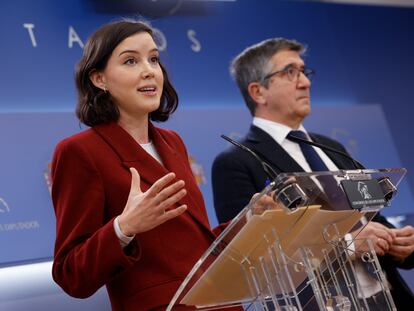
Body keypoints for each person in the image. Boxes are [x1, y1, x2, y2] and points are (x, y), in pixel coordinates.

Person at [51, 20, 243, 311]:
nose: (149, 70)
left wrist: (251, 219)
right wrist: (124, 228)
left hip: (219, 302)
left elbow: (190, 244)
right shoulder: (79, 152)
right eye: (131, 61)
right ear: (99, 79)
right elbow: (71, 274)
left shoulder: (172, 142)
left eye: (153, 59)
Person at [211, 38, 414, 309]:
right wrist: (349, 246)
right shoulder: (236, 161)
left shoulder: (332, 147)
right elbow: (252, 258)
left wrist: (398, 242)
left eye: (304, 72)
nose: (305, 82)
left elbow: (369, 215)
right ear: (258, 92)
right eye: (289, 73)